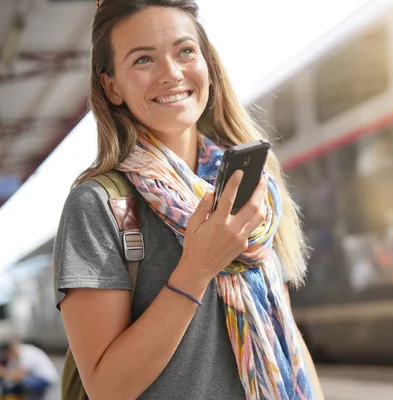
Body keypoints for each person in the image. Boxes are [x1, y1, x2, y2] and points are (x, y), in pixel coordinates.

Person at [52, 1, 324, 399]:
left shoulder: (249, 183)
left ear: (207, 64)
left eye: (185, 51)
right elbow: (107, 388)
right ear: (112, 86)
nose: (171, 73)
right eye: (143, 59)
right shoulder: (97, 205)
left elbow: (287, 335)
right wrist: (197, 268)